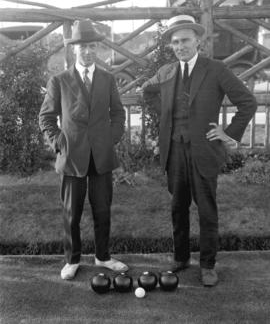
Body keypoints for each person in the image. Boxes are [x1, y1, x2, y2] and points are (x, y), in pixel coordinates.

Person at [142, 15, 257, 286]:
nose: (180, 46)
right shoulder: (167, 72)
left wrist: (228, 133)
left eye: (185, 40)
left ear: (197, 41)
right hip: (175, 153)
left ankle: (207, 265)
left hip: (204, 151)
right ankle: (181, 258)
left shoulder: (215, 69)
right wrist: (166, 117)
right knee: (178, 208)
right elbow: (147, 92)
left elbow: (247, 102)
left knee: (206, 210)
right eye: (175, 42)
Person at [39, 19, 128, 280]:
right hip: (72, 158)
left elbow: (119, 114)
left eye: (92, 46)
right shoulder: (60, 80)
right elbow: (46, 118)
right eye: (82, 47)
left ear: (97, 48)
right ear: (73, 49)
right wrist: (60, 143)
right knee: (71, 212)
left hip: (101, 157)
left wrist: (111, 138)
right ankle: (72, 259)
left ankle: (103, 257)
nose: (88, 51)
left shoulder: (107, 79)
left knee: (102, 210)